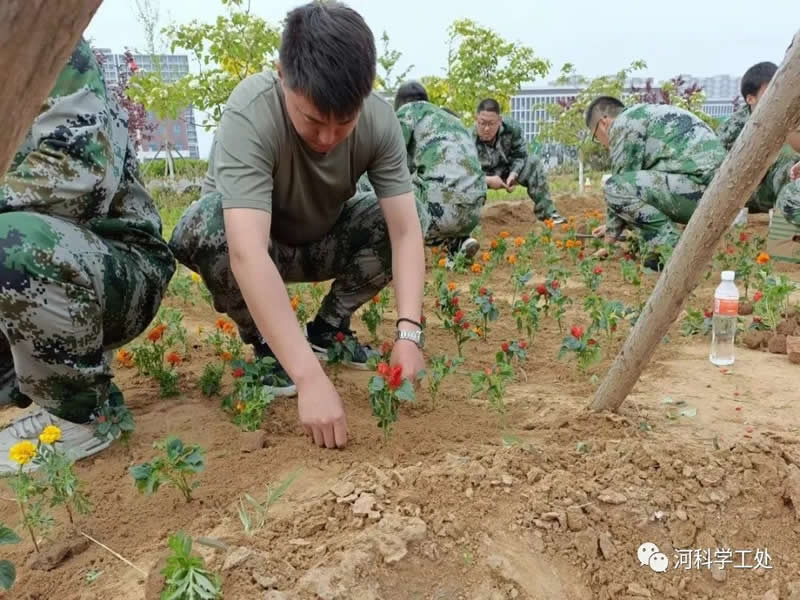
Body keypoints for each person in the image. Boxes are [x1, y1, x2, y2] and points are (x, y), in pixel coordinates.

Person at [168, 1, 426, 450]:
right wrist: (308, 377)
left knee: (391, 218)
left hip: (322, 240)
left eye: (343, 123)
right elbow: (246, 252)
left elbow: (406, 232)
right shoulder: (252, 112)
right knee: (207, 224)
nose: (327, 139)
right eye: (312, 120)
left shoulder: (380, 121)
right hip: (259, 247)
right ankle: (269, 350)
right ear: (282, 74)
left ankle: (329, 328)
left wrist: (408, 333)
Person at [0, 39, 176, 474]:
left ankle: (79, 415)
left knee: (9, 241)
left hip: (115, 263)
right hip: (42, 273)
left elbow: (80, 173)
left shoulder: (43, 42)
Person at [585, 96, 725, 265]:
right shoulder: (645, 115)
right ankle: (663, 244)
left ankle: (669, 250)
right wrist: (611, 227)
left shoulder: (623, 124)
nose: (601, 143)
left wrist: (608, 243)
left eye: (596, 136)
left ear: (603, 123)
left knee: (614, 187)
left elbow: (621, 184)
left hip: (702, 190)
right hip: (720, 191)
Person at [358, 80, 486, 259]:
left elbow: (386, 159)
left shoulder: (407, 112)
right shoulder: (451, 119)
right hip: (474, 211)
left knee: (383, 183)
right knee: (437, 181)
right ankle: (458, 242)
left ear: (399, 105)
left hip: (438, 211)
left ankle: (376, 245)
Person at [717, 62, 800, 227]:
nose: (778, 97)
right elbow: (714, 169)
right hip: (749, 190)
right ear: (750, 99)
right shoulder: (733, 128)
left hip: (785, 180)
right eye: (770, 92)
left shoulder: (791, 115)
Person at [474, 98, 565, 224]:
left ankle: (548, 214)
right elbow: (464, 174)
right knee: (466, 184)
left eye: (491, 123)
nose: (486, 129)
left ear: (499, 121)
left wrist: (514, 173)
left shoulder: (511, 128)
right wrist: (487, 180)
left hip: (508, 170)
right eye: (482, 123)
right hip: (481, 175)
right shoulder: (467, 138)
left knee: (533, 162)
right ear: (476, 119)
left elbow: (520, 155)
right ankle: (471, 221)